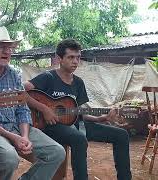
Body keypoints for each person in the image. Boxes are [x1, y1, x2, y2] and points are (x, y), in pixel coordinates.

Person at [0, 26, 66, 180]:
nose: (7, 51)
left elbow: (22, 108)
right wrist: (12, 137)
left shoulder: (14, 75)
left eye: (10, 48)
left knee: (57, 152)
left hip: (16, 128)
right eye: (1, 47)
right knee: (9, 158)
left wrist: (24, 136)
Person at [24, 38, 132, 180]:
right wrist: (44, 109)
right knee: (79, 139)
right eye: (71, 57)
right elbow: (22, 93)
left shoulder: (78, 83)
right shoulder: (48, 77)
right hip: (49, 125)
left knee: (121, 135)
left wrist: (102, 118)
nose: (75, 61)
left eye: (78, 57)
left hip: (74, 125)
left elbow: (78, 112)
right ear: (59, 59)